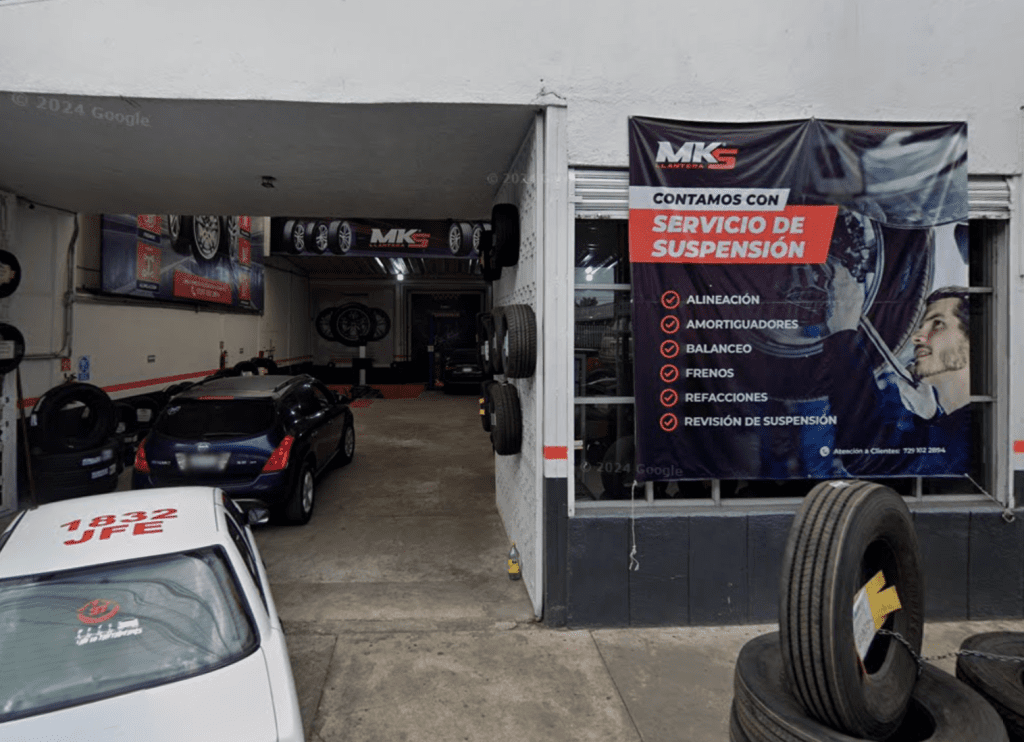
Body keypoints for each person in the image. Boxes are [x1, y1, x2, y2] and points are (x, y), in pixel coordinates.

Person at [823, 266, 971, 476]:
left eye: (937, 324)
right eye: (922, 325)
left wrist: (844, 333)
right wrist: (931, 416)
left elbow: (870, 458)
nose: (917, 336)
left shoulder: (976, 427)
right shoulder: (963, 425)